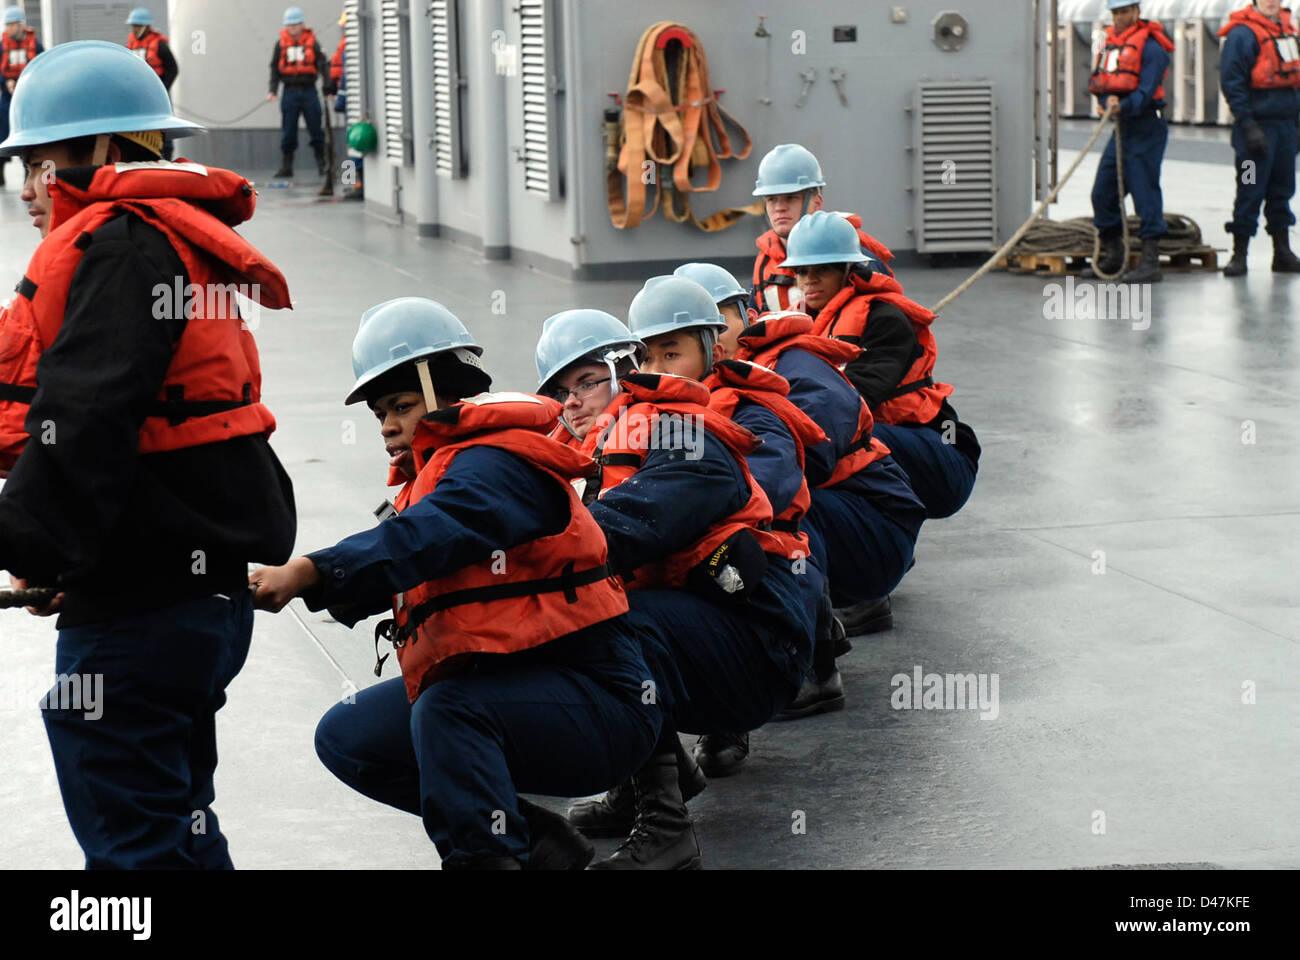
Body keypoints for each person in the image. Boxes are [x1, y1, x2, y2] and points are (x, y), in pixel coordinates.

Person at [0, 41, 296, 868]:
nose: (25, 188)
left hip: (145, 613)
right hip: (191, 597)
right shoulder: (164, 241)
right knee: (176, 820)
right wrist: (60, 554)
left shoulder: (120, 252)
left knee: (136, 841)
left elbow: (85, 423)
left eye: (36, 163)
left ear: (99, 153)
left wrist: (25, 539)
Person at [247, 298, 657, 870]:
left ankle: (483, 859)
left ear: (444, 396)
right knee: (350, 737)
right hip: (512, 687)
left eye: (401, 405)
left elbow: (434, 533)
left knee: (448, 710)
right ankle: (537, 841)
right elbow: (413, 556)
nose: (388, 425)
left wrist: (313, 570)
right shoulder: (442, 474)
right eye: (380, 414)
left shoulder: (498, 463)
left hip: (599, 704)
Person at [536, 300, 822, 868]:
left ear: (624, 374)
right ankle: (651, 778)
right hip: (705, 635)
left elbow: (666, 503)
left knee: (609, 626)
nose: (573, 401)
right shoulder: (581, 453)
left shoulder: (678, 430)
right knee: (588, 616)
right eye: (563, 391)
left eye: (589, 382)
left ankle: (667, 826)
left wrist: (544, 556)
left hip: (761, 640)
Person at [675, 262, 925, 691]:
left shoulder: (796, 363)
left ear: (747, 314)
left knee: (778, 508)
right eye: (700, 329)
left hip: (876, 525)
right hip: (841, 519)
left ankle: (816, 664)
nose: (713, 337)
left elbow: (810, 456)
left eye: (721, 320)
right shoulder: (707, 387)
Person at [786, 211, 980, 523]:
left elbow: (855, 398)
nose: (810, 279)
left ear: (848, 270)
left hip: (943, 457)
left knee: (840, 437)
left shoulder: (884, 319)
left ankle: (896, 527)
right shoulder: (811, 324)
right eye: (801, 271)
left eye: (822, 269)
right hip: (900, 447)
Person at [1083, 1, 1174, 283]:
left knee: (1144, 190)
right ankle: (1114, 253)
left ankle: (1150, 260)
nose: (1120, 17)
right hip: (1122, 128)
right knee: (1103, 192)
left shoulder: (1152, 49)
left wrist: (1126, 105)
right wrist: (1105, 99)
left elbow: (1146, 90)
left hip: (1146, 125)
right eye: (1116, 13)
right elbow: (1100, 79)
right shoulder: (1109, 46)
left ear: (1136, 11)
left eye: (1125, 11)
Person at [749, 142, 894, 313]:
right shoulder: (764, 264)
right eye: (772, 199)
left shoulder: (851, 257)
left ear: (817, 202)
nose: (779, 207)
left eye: (790, 198)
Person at [1218, 0, 1300, 276]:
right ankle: (1239, 253)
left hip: (1285, 130)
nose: (1270, 1)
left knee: (1282, 189)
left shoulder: (1288, 32)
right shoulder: (1242, 35)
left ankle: (1283, 252)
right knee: (1249, 187)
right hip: (1253, 132)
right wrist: (1248, 125)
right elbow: (1232, 81)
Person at [267, 6, 335, 180]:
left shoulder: (313, 43)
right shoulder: (280, 45)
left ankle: (322, 164)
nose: (292, 28)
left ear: (302, 24)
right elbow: (274, 68)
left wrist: (328, 88)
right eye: (289, 25)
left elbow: (323, 66)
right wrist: (272, 90)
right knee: (288, 130)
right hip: (289, 92)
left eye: (295, 24)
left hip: (309, 92)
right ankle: (286, 166)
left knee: (316, 129)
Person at [125, 8, 178, 160]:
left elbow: (173, 68)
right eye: (133, 26)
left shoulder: (160, 46)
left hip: (157, 93)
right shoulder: (131, 46)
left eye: (137, 25)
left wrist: (162, 88)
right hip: (139, 95)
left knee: (163, 125)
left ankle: (165, 156)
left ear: (146, 26)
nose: (134, 29)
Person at [0, 5, 42, 188]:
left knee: (28, 138)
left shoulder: (34, 44)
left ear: (20, 25)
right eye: (7, 25)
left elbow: (42, 64)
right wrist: (6, 81)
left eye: (12, 25)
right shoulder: (2, 46)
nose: (9, 29)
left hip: (28, 100)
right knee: (2, 135)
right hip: (7, 101)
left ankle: (28, 173)